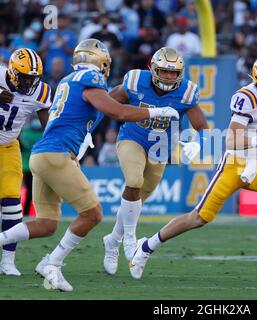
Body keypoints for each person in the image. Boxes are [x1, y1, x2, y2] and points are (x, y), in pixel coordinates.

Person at [0, 39, 180, 291]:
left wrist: (82, 134)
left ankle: (20, 251)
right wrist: (156, 112)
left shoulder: (67, 80)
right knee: (93, 213)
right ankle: (52, 263)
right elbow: (117, 112)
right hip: (56, 154)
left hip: (43, 154)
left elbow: (68, 114)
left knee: (47, 224)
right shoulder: (90, 79)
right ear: (100, 62)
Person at [128, 53, 257, 280]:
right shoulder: (247, 97)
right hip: (234, 166)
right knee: (198, 218)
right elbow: (231, 139)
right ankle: (146, 246)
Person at [102, 47, 208, 275]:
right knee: (133, 181)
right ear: (152, 69)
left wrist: (197, 143)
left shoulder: (187, 92)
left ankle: (112, 241)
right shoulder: (135, 81)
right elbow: (108, 105)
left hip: (161, 149)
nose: (169, 77)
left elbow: (202, 127)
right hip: (132, 138)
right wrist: (89, 129)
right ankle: (130, 239)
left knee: (137, 200)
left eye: (174, 72)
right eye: (164, 71)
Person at [0, 48, 50, 276]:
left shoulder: (41, 92)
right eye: (24, 77)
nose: (29, 82)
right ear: (11, 72)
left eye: (33, 78)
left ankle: (7, 261)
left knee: (12, 201)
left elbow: (48, 124)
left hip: (8, 146)